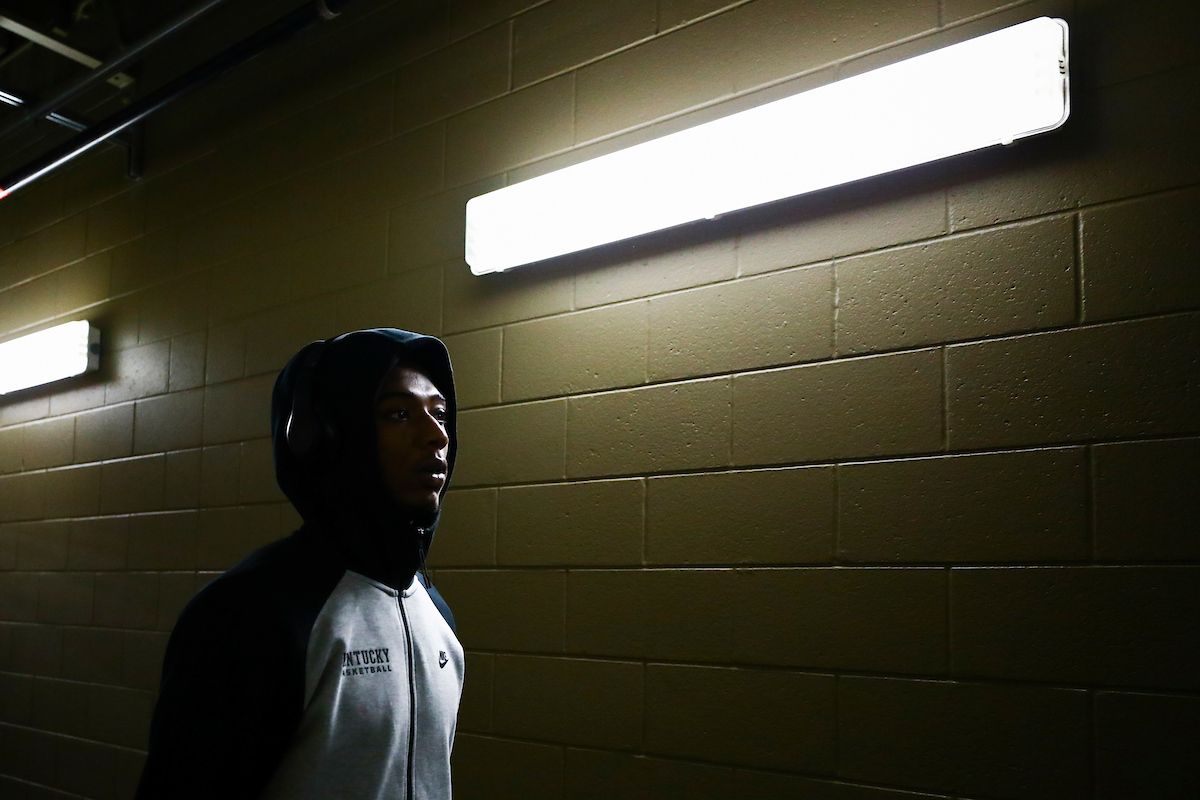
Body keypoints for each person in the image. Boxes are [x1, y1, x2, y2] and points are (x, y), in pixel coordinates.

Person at [135, 328, 463, 800]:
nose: (436, 436)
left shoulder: (437, 617)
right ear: (326, 438)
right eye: (398, 414)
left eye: (439, 414)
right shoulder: (248, 615)